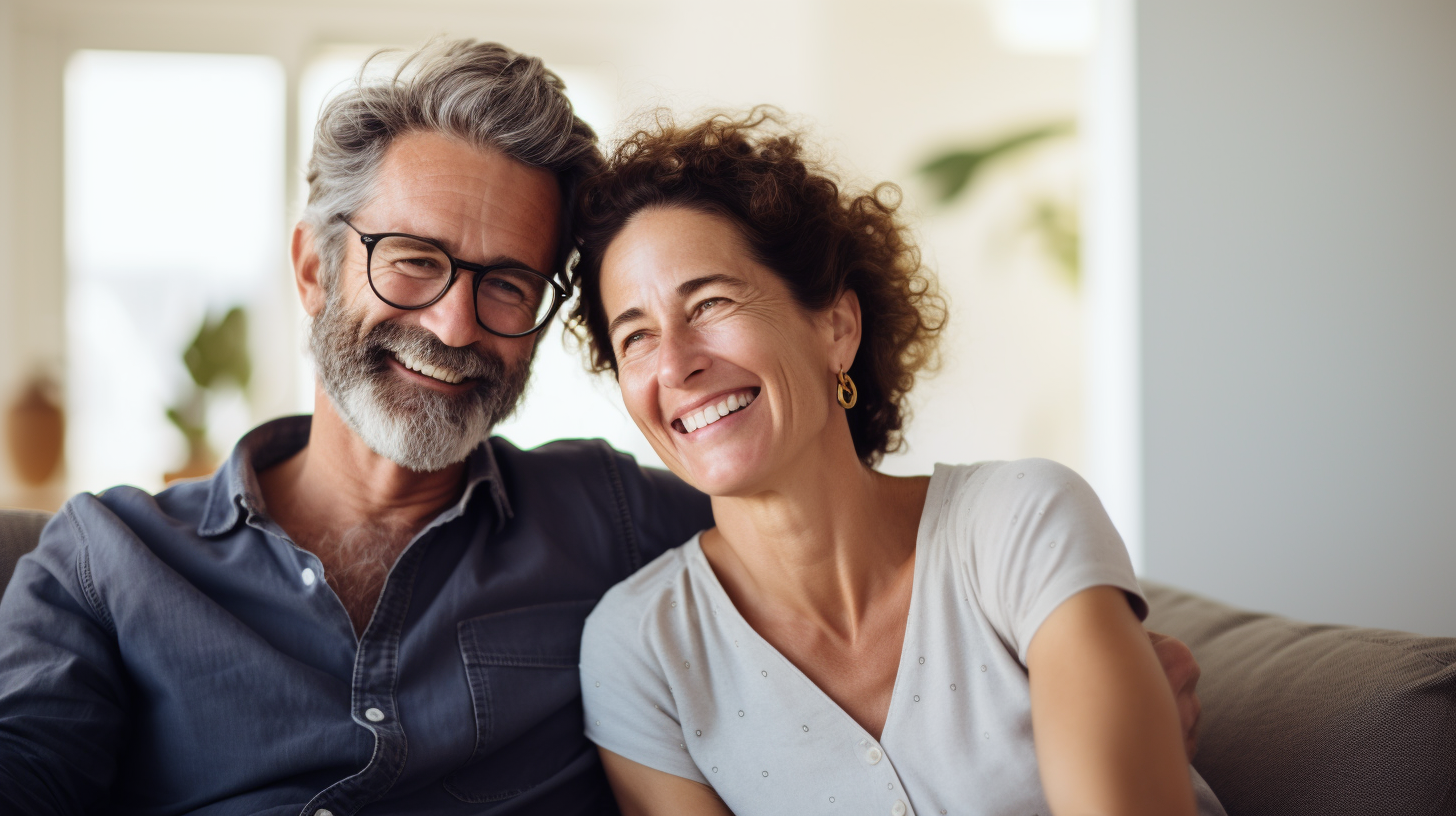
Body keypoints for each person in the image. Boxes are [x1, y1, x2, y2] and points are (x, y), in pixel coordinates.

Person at [0, 41, 1199, 816]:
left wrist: (1076, 669)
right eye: (413, 262)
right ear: (316, 267)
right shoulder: (109, 561)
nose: (456, 321)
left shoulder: (609, 520)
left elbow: (813, 522)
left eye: (508, 282)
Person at [570, 110, 1225, 816]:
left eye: (711, 302)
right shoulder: (640, 646)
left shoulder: (1018, 522)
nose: (673, 363)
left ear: (837, 328)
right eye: (634, 337)